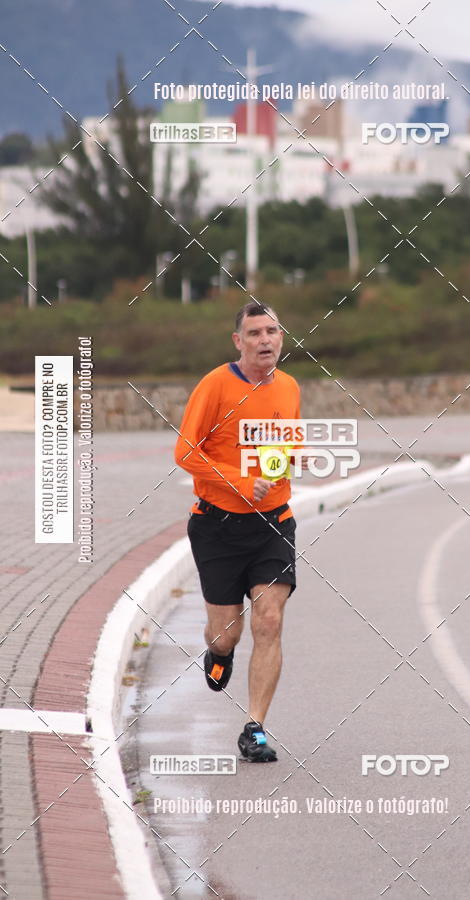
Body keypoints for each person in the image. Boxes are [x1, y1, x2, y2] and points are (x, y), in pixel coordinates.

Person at [174, 302, 301, 763]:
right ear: (238, 341)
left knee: (269, 620)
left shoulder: (288, 387)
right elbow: (185, 452)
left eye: (273, 330)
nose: (266, 340)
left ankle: (255, 729)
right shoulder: (216, 385)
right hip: (218, 526)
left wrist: (292, 459)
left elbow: (285, 443)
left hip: (273, 523)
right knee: (226, 632)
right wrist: (244, 481)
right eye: (255, 333)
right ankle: (219, 653)